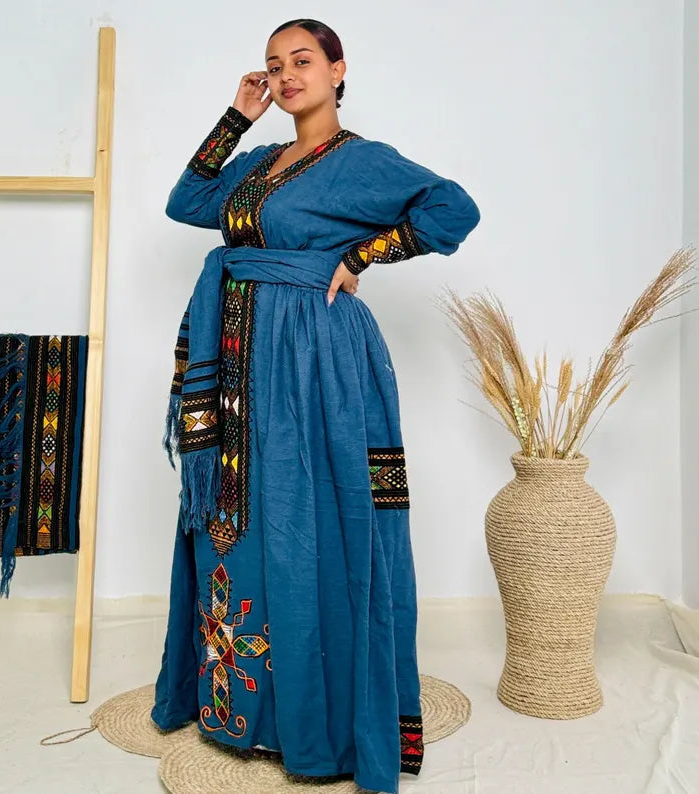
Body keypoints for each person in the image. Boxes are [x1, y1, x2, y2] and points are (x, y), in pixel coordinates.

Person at [150, 17, 480, 794]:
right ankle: (245, 711)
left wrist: (362, 254)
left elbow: (453, 209)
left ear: (337, 69)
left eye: (302, 60)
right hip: (237, 363)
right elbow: (185, 202)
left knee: (313, 517)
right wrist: (237, 118)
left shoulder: (361, 161)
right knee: (244, 520)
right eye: (274, 65)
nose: (287, 75)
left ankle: (316, 719)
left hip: (313, 361)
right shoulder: (258, 163)